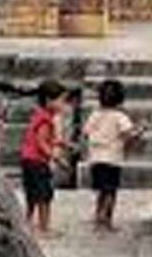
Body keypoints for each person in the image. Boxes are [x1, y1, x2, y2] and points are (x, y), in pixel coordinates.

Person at [83, 79, 142, 230]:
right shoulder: (120, 117)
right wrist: (139, 131)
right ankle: (105, 218)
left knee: (102, 191)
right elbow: (128, 134)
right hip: (112, 159)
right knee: (111, 191)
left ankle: (98, 214)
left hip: (96, 158)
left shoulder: (95, 114)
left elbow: (86, 132)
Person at [20, 79, 69, 235]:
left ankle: (27, 221)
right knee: (44, 195)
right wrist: (56, 158)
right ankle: (44, 227)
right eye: (61, 100)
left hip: (27, 158)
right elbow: (41, 142)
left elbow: (43, 138)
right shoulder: (46, 120)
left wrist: (62, 143)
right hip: (37, 161)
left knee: (32, 193)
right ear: (49, 100)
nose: (64, 105)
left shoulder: (39, 115)